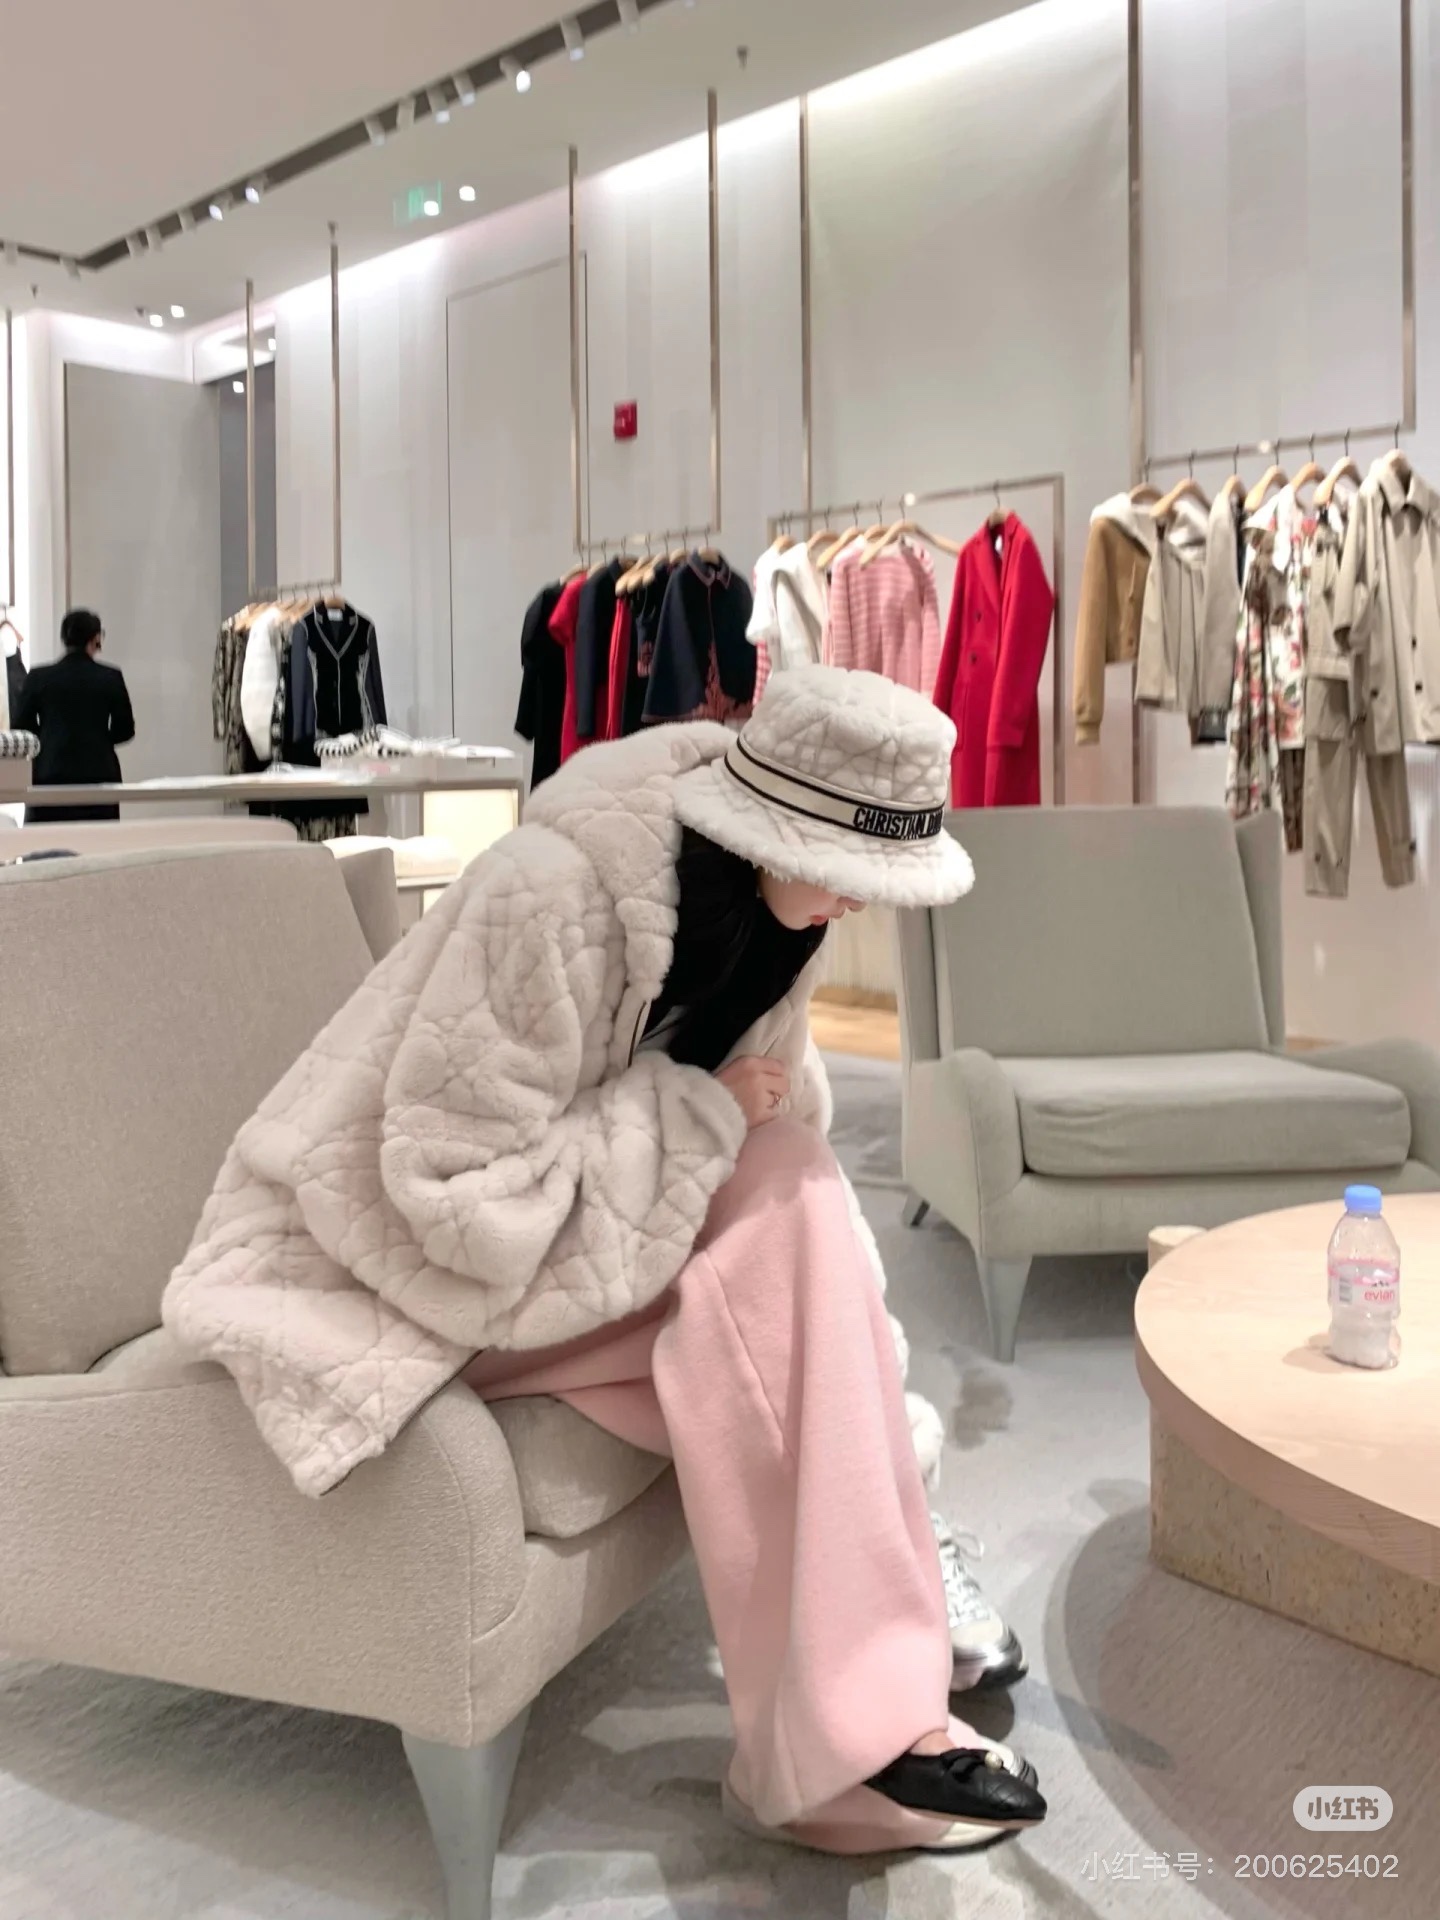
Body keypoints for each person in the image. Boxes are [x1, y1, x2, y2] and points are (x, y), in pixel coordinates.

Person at [165, 664, 1047, 1856]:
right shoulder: (549, 893)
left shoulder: (781, 922)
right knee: (772, 1220)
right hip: (386, 1272)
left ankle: (862, 1699)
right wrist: (696, 1115)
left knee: (790, 1208)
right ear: (768, 827)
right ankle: (856, 1736)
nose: (856, 904)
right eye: (847, 871)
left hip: (572, 1255)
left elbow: (789, 1179)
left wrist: (727, 1141)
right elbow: (452, 1195)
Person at [15, 608, 135, 823]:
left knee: (47, 839)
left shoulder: (38, 677)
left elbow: (21, 726)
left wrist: (48, 740)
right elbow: (125, 729)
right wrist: (99, 739)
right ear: (96, 638)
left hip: (49, 773)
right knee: (99, 839)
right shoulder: (110, 677)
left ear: (64, 639)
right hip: (100, 774)